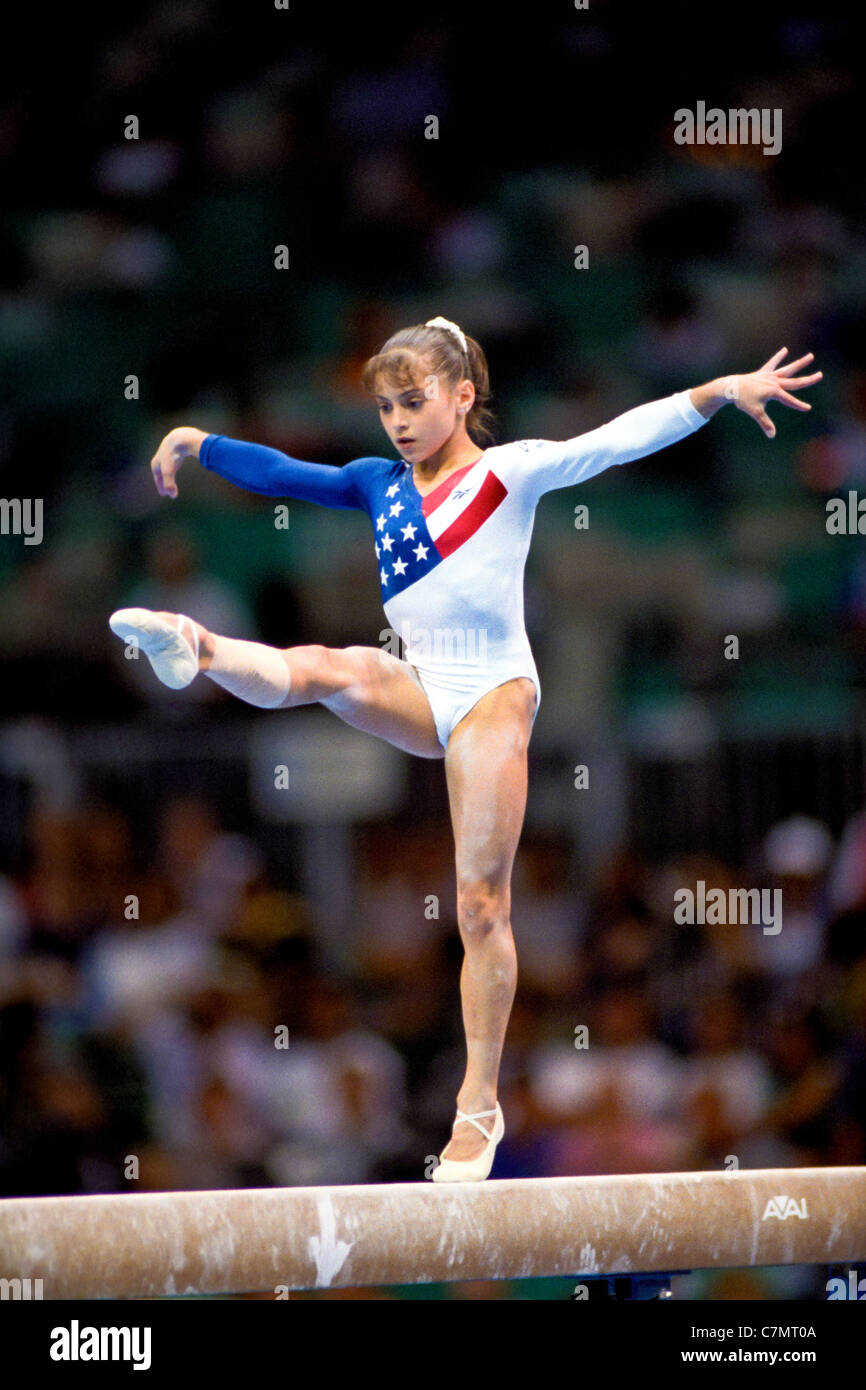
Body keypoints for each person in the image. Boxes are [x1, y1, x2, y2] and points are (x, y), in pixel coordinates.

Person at [108, 316, 822, 1180]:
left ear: (462, 395)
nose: (399, 421)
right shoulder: (378, 482)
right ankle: (200, 646)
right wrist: (201, 442)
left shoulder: (506, 473)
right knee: (332, 667)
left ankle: (478, 1108)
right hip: (422, 684)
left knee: (480, 905)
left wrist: (719, 392)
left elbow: (615, 440)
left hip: (492, 695)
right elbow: (289, 473)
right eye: (383, 407)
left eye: (413, 401)